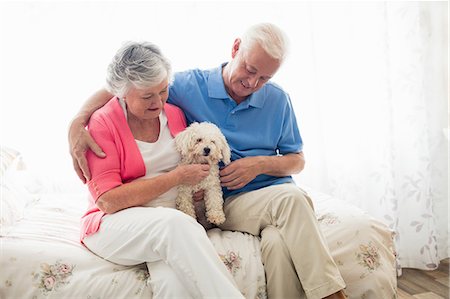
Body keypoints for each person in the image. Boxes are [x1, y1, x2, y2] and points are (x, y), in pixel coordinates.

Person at [70, 24, 347, 299]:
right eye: (250, 70)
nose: (252, 83)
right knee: (182, 226)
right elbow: (130, 84)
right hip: (196, 208)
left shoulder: (179, 110)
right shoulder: (185, 88)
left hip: (243, 199)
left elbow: (297, 159)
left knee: (273, 241)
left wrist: (260, 164)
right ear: (236, 48)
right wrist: (78, 119)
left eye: (264, 78)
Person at [78, 41, 244, 299]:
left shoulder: (175, 114)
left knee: (175, 283)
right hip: (114, 223)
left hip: (166, 225)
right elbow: (108, 201)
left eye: (163, 91)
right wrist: (175, 179)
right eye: (147, 96)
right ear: (122, 93)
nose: (158, 102)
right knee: (175, 224)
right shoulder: (103, 123)